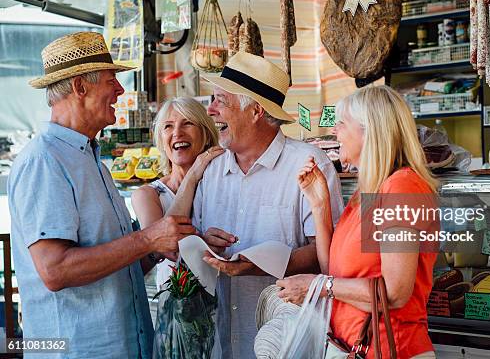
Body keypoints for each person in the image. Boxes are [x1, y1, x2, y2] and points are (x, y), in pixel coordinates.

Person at [8, 32, 196, 358]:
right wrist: (148, 239)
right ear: (80, 87)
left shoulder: (90, 159)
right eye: (112, 80)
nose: (120, 90)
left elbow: (114, 263)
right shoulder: (45, 161)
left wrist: (169, 246)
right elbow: (55, 270)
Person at [182, 51, 345, 359]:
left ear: (256, 111)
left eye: (220, 100)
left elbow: (329, 255)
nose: (211, 110)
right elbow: (193, 242)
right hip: (221, 340)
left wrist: (262, 264)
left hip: (286, 341)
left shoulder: (310, 164)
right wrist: (203, 243)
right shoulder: (212, 169)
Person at [277, 86, 439, 358]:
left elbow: (394, 293)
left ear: (369, 131)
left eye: (342, 124)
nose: (335, 131)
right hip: (354, 348)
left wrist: (316, 286)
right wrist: (320, 205)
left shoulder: (401, 188)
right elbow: (334, 272)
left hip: (392, 348)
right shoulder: (366, 193)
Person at [131, 97, 224, 291]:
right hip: (179, 308)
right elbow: (165, 246)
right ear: (161, 140)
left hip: (227, 296)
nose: (177, 133)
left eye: (187, 123)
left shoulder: (222, 184)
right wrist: (192, 176)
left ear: (206, 134)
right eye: (168, 126)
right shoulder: (148, 195)